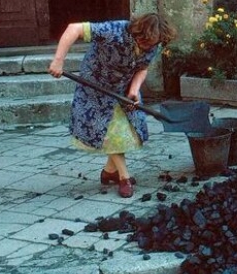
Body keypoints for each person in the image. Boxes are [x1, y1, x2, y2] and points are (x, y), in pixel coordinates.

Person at [48, 14, 177, 197]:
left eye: (152, 44)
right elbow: (74, 28)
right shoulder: (114, 31)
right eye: (145, 42)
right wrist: (58, 61)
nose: (148, 47)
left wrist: (134, 90)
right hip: (95, 89)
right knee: (113, 133)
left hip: (123, 90)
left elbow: (142, 68)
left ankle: (109, 172)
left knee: (128, 133)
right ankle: (124, 178)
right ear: (138, 33)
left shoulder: (152, 45)